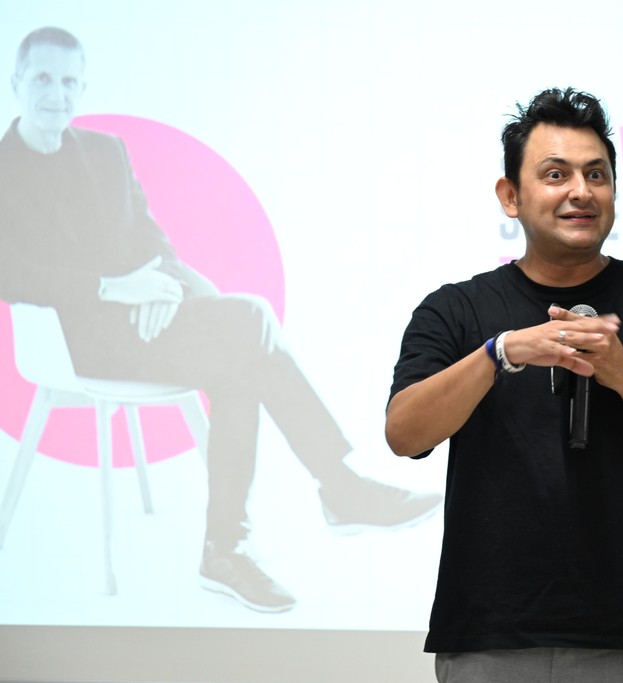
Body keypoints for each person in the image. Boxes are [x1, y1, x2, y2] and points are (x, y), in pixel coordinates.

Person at [0, 27, 441, 613]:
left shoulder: (105, 152)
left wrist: (164, 288)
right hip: (74, 340)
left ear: (81, 87)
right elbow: (13, 272)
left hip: (144, 324)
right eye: (43, 79)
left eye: (68, 82)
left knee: (241, 356)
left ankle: (229, 547)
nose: (56, 94)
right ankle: (329, 493)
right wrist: (116, 288)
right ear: (16, 82)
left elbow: (150, 239)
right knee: (250, 327)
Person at [386, 87, 623, 682]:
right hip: (492, 638)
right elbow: (404, 433)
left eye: (596, 175)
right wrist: (500, 352)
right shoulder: (456, 310)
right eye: (555, 174)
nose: (581, 191)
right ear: (511, 196)